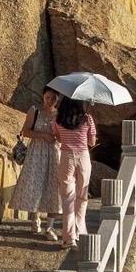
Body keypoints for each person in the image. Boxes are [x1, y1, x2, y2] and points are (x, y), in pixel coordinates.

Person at [52, 93, 98, 249]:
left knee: (67, 198)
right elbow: (91, 142)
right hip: (83, 157)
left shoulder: (58, 119)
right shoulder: (87, 119)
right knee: (82, 196)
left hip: (66, 157)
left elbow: (58, 138)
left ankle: (68, 237)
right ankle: (79, 231)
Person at [11, 89, 60, 235]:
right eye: (48, 97)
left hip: (54, 153)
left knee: (54, 187)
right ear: (43, 96)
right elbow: (25, 131)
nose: (50, 100)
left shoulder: (59, 115)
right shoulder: (35, 111)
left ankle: (49, 226)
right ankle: (35, 217)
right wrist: (44, 135)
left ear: (58, 99)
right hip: (37, 152)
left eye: (54, 98)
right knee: (35, 184)